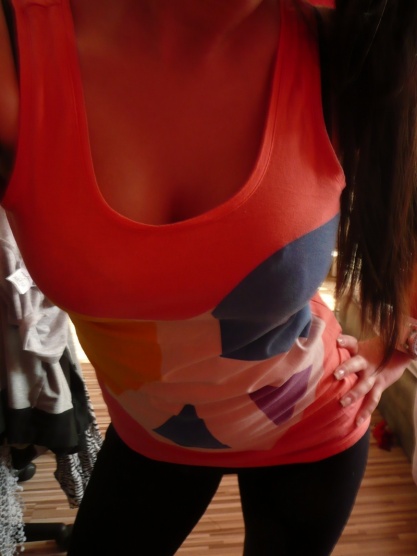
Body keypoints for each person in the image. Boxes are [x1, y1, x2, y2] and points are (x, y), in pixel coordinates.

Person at [0, 0, 416, 554]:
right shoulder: (20, 52)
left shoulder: (344, 44)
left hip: (314, 424)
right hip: (149, 436)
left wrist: (397, 348)